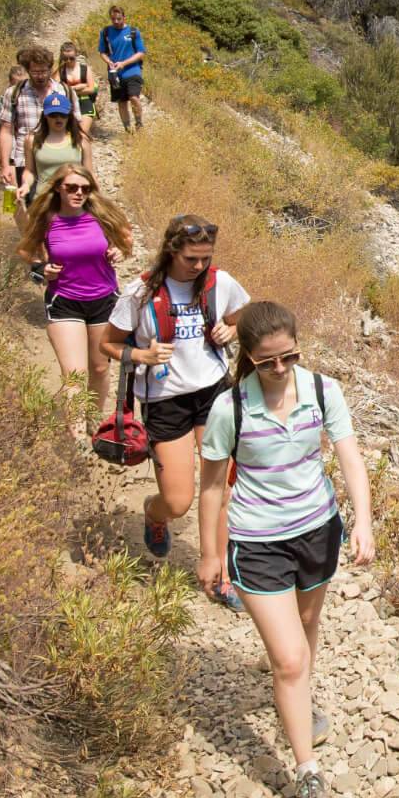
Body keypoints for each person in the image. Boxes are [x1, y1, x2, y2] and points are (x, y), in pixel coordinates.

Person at [197, 301, 375, 798]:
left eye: (289, 357)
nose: (279, 369)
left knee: (306, 625)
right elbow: (211, 486)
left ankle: (297, 704)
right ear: (248, 358)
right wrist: (210, 552)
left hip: (317, 531)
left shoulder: (323, 391)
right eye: (267, 361)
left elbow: (349, 457)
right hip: (257, 542)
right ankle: (306, 772)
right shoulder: (231, 408)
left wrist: (361, 521)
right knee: (291, 659)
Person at [103, 215, 248, 575]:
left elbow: (243, 316)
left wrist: (231, 329)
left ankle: (220, 572)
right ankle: (154, 514)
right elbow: (108, 343)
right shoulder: (140, 293)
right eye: (191, 259)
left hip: (213, 392)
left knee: (223, 487)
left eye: (205, 259)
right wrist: (142, 356)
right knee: (178, 500)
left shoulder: (219, 283)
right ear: (172, 251)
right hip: (164, 400)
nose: (199, 266)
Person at [16, 167, 133, 430]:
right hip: (64, 301)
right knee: (75, 376)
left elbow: (126, 238)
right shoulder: (47, 218)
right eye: (71, 187)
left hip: (104, 300)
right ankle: (78, 436)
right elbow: (26, 248)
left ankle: (94, 425)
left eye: (85, 188)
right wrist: (39, 268)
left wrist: (117, 250)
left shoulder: (101, 215)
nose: (79, 193)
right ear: (58, 187)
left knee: (101, 369)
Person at [0, 45, 76, 234]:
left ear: (51, 68)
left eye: (44, 71)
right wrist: (5, 164)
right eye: (35, 72)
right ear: (27, 70)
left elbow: (76, 125)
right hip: (25, 160)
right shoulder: (14, 94)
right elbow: (7, 130)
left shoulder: (64, 91)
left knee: (64, 204)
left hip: (60, 156)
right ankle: (41, 251)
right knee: (34, 206)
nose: (40, 75)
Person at [21, 92, 93, 207]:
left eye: (62, 115)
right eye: (53, 115)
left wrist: (96, 197)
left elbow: (90, 173)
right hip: (44, 201)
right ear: (45, 115)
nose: (58, 119)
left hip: (74, 202)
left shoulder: (80, 139)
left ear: (69, 115)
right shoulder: (32, 140)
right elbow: (30, 171)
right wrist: (25, 185)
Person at [97, 5, 145, 133]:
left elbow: (141, 52)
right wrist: (109, 62)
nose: (116, 22)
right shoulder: (106, 32)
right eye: (113, 19)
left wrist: (124, 63)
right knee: (122, 101)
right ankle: (128, 129)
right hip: (115, 73)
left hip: (133, 70)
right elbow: (102, 52)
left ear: (124, 17)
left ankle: (139, 124)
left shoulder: (133, 32)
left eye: (119, 19)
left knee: (134, 97)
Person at [57, 42, 98, 138]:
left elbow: (91, 89)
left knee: (82, 132)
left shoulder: (85, 69)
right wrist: (77, 87)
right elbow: (57, 90)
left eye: (71, 58)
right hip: (67, 103)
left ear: (76, 55)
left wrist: (69, 89)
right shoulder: (60, 71)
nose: (68, 61)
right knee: (68, 134)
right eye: (65, 58)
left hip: (85, 101)